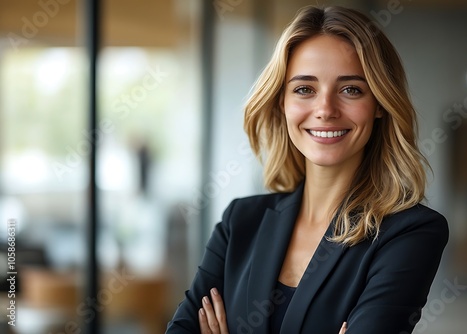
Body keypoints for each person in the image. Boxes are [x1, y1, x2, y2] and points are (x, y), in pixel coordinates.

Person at [166, 5, 448, 334]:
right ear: (281, 102)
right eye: (304, 89)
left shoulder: (410, 234)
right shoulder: (239, 221)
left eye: (351, 89)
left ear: (380, 105)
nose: (325, 109)